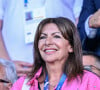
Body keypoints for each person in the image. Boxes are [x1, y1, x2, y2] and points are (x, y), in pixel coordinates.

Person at [11, 17, 100, 90]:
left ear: (71, 46)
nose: (47, 42)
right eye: (42, 37)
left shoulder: (89, 81)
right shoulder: (23, 84)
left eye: (56, 36)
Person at [0, 0, 76, 77]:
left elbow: (80, 22)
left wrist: (72, 61)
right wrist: (7, 66)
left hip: (62, 68)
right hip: (17, 69)